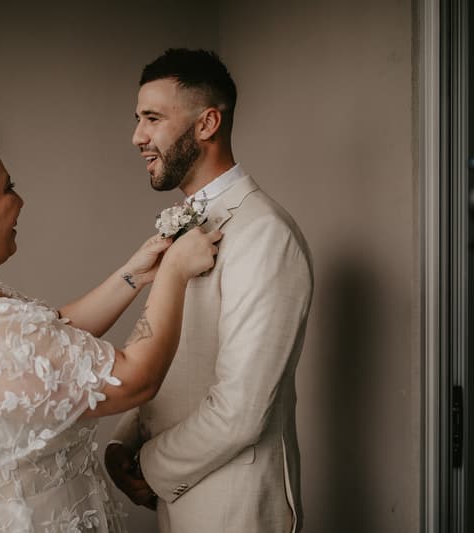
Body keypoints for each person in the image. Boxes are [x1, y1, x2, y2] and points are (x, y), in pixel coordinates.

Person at [0, 122, 221, 532]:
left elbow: (44, 342)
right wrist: (174, 274)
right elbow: (134, 380)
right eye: (7, 188)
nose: (20, 201)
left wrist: (132, 276)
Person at [105, 49, 314, 533]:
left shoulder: (266, 234)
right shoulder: (187, 226)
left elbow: (241, 411)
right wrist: (123, 442)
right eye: (138, 119)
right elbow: (179, 360)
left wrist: (148, 467)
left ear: (207, 124)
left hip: (233, 508)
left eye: (153, 119)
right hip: (179, 496)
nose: (138, 137)